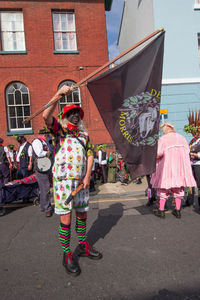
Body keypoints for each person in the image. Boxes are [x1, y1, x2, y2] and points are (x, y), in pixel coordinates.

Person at [43, 85, 102, 276]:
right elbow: (45, 116)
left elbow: (90, 155)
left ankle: (83, 246)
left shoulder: (85, 136)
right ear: (65, 117)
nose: (75, 115)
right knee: (66, 218)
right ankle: (67, 254)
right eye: (71, 113)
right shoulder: (59, 132)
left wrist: (87, 176)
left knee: (83, 215)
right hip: (63, 183)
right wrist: (58, 95)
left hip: (81, 183)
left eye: (77, 113)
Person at [151, 122, 196, 219]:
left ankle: (161, 210)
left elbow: (158, 153)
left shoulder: (163, 139)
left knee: (163, 189)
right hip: (180, 168)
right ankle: (178, 210)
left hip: (167, 168)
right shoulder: (182, 138)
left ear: (164, 131)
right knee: (178, 188)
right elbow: (187, 151)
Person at [32, 129, 53, 217]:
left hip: (45, 166)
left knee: (44, 188)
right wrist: (47, 152)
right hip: (41, 167)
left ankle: (43, 206)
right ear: (44, 135)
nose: (48, 136)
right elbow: (39, 153)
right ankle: (47, 208)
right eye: (47, 135)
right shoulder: (37, 142)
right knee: (45, 187)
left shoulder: (44, 142)